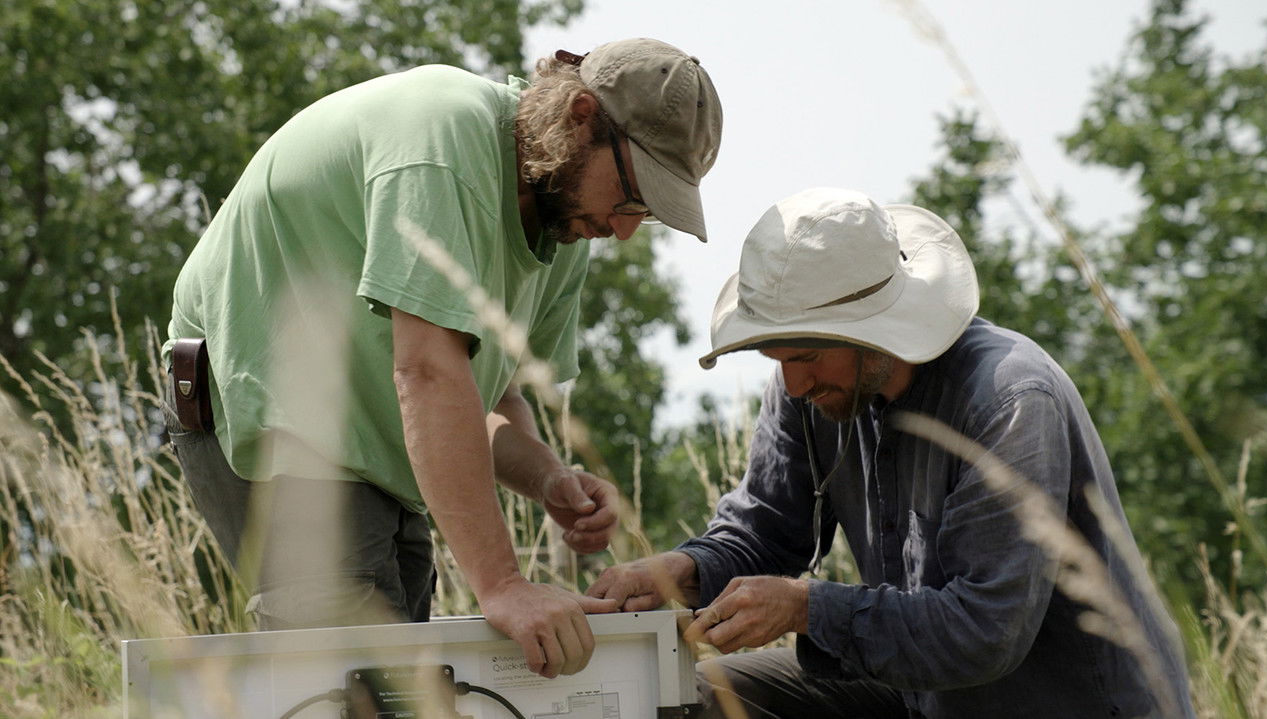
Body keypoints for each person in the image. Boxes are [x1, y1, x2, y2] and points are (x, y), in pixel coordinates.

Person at [162, 38, 722, 679]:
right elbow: (427, 373)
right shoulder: (442, 140)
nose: (624, 229)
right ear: (581, 116)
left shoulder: (565, 220)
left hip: (380, 444)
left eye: (646, 214)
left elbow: (487, 394)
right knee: (363, 684)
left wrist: (547, 477)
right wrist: (504, 583)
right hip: (270, 409)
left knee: (417, 680)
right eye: (631, 196)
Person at [589, 188, 1196, 717]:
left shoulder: (1009, 399)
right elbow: (767, 531)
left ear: (873, 329)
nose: (793, 385)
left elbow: (985, 635)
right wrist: (680, 572)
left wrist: (807, 608)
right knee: (684, 698)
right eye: (777, 361)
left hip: (1057, 705)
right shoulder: (809, 389)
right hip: (919, 696)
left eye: (805, 358)